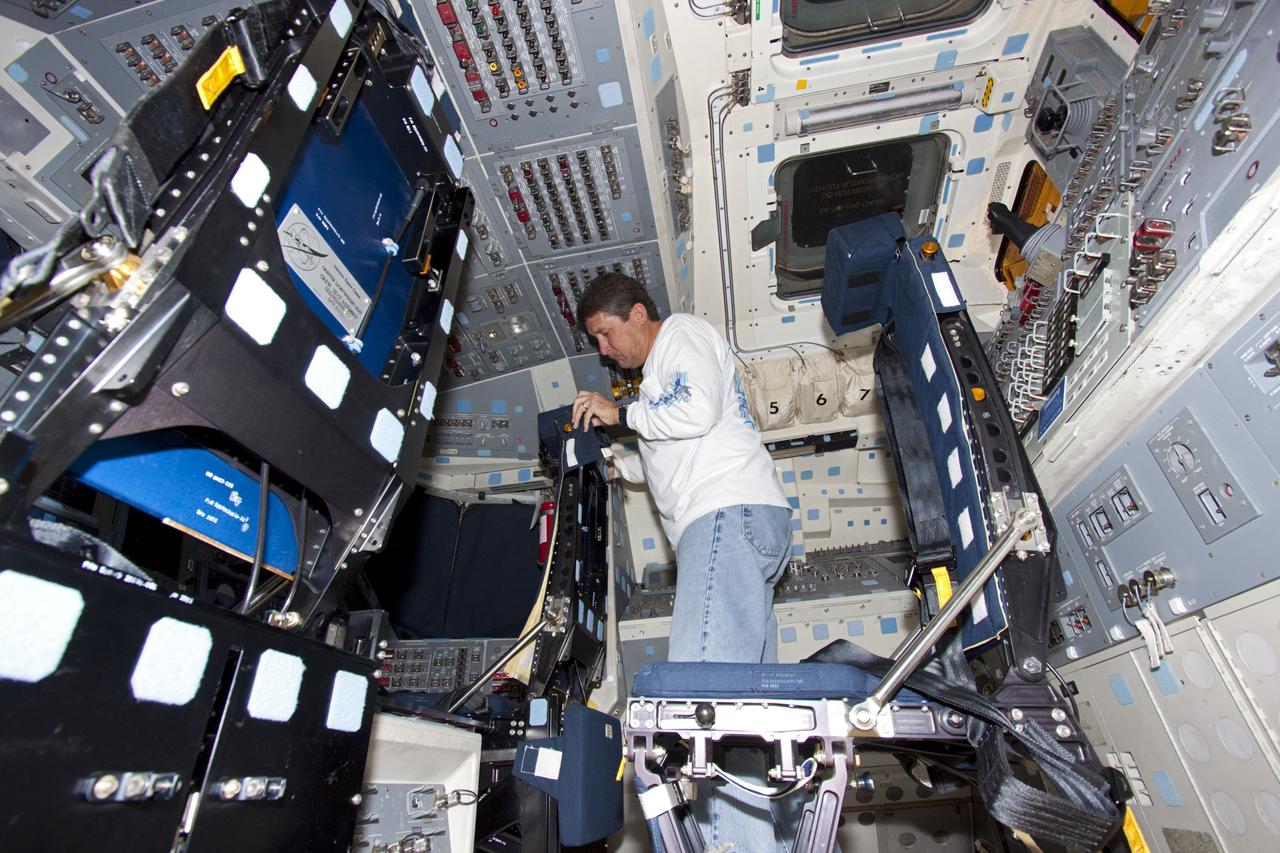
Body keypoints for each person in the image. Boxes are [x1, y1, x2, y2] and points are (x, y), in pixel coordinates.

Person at [570, 272, 794, 850]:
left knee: (703, 709)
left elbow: (694, 410)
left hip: (724, 518)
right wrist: (619, 464)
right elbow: (674, 445)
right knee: (749, 719)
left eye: (606, 333)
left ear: (637, 314)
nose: (604, 350)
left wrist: (620, 415)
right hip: (742, 520)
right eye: (596, 341)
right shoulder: (657, 385)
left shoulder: (680, 335)